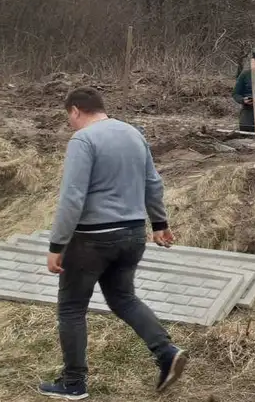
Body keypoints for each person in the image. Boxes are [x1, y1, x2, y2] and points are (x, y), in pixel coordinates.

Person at [40, 87, 187, 399]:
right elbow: (153, 183)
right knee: (123, 298)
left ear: (76, 110)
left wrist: (57, 245)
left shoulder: (84, 139)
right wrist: (159, 223)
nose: (71, 123)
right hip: (132, 234)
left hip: (92, 238)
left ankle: (74, 383)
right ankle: (166, 352)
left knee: (71, 308)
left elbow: (72, 197)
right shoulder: (134, 134)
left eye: (70, 117)